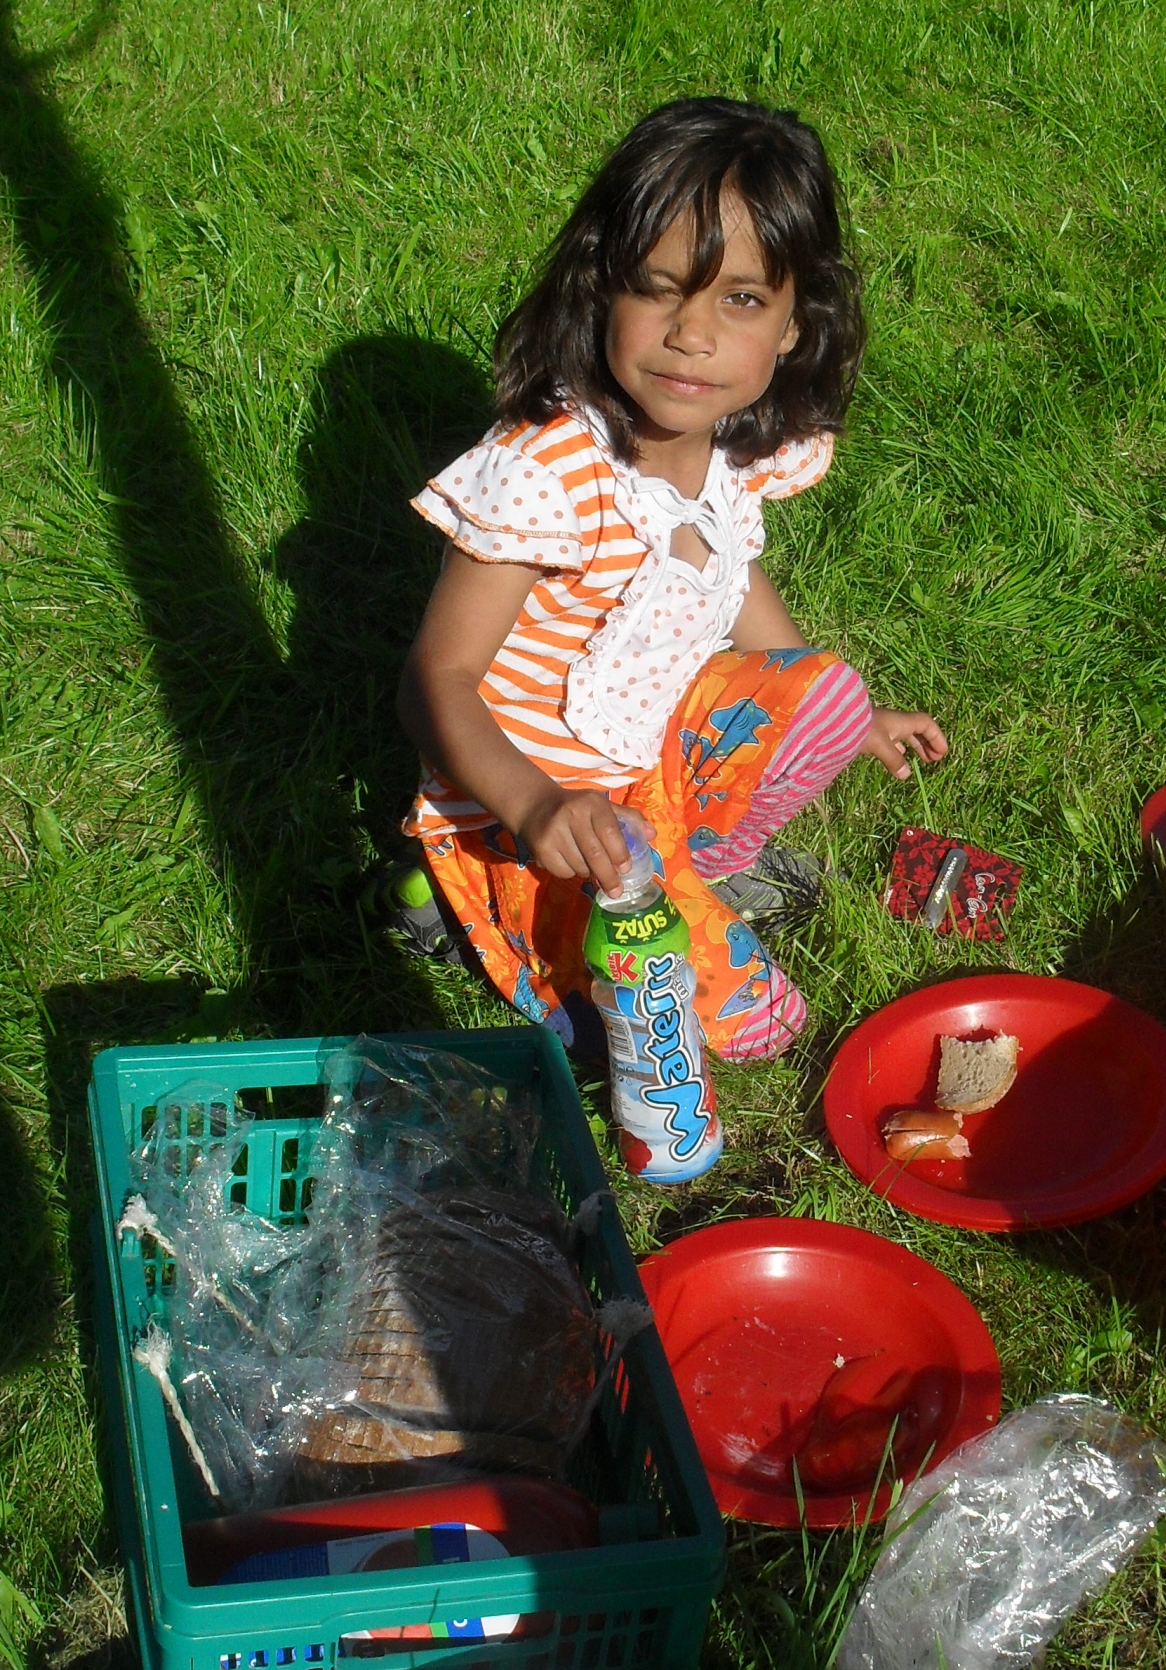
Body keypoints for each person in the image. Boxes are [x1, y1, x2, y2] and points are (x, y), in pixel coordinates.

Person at [392, 95, 948, 1061]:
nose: (691, 334)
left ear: (795, 324)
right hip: (542, 803)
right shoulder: (551, 471)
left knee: (830, 692)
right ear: (600, 291)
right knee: (751, 1024)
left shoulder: (730, 448)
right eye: (658, 291)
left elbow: (728, 574)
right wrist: (534, 806)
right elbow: (434, 679)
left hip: (646, 763)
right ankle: (459, 889)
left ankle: (687, 862)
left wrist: (848, 722)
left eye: (741, 301)